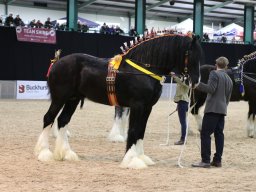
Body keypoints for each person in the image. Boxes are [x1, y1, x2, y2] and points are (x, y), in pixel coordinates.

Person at [192, 56, 233, 168]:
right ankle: (217, 160)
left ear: (216, 64)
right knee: (219, 135)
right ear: (226, 66)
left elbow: (211, 89)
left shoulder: (214, 74)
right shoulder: (229, 79)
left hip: (212, 109)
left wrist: (197, 85)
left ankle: (205, 160)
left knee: (205, 133)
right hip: (222, 110)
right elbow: (228, 97)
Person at [171, 72, 190, 145]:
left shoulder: (186, 81)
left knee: (183, 122)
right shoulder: (183, 81)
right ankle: (183, 138)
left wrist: (174, 76)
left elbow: (180, 82)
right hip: (181, 102)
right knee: (183, 122)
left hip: (183, 102)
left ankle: (183, 139)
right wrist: (178, 105)